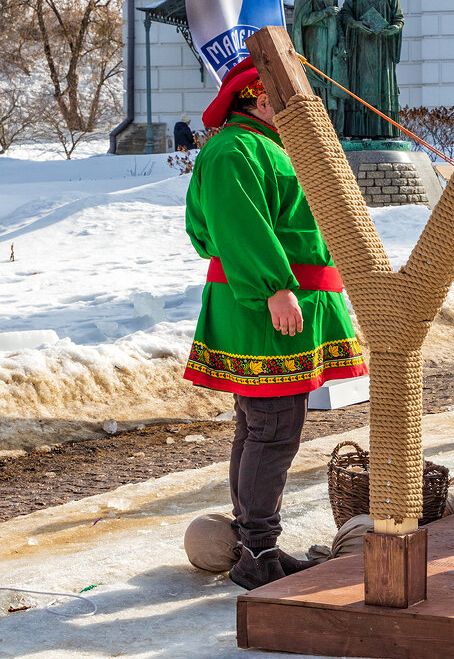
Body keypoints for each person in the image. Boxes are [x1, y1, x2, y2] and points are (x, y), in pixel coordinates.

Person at [184, 57, 368, 590]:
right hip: (265, 306)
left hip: (275, 304)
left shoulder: (261, 146)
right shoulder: (234, 149)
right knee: (273, 427)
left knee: (260, 425)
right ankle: (258, 552)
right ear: (262, 98)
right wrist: (274, 287)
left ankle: (253, 544)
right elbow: (237, 226)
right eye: (286, 100)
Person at [339, 0, 404, 140]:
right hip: (361, 49)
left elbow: (399, 18)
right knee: (360, 89)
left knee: (381, 89)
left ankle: (382, 130)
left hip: (382, 49)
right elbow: (345, 13)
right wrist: (356, 24)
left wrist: (391, 29)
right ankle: (358, 131)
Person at [291, 0, 348, 125]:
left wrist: (341, 42)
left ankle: (334, 124)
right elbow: (302, 19)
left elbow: (338, 18)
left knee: (333, 81)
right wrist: (324, 13)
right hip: (315, 41)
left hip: (331, 42)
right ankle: (318, 121)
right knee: (318, 78)